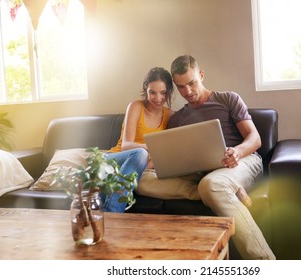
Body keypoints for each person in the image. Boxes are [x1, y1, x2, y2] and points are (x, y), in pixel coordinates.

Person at [137, 55, 275, 260]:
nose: (188, 92)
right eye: (181, 87)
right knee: (140, 181)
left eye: (192, 83)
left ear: (201, 75)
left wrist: (237, 151)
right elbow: (174, 155)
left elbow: (254, 139)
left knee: (212, 184)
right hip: (201, 173)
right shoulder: (178, 119)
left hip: (240, 162)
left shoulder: (228, 99)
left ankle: (265, 261)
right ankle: (229, 191)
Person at [101, 67, 174, 213]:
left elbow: (165, 153)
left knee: (141, 155)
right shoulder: (135, 107)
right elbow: (126, 146)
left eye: (163, 93)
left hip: (136, 164)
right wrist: (150, 148)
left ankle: (110, 215)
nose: (158, 98)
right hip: (114, 158)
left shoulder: (171, 116)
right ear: (146, 90)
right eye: (152, 92)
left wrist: (146, 164)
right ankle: (113, 214)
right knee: (140, 153)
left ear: (169, 92)